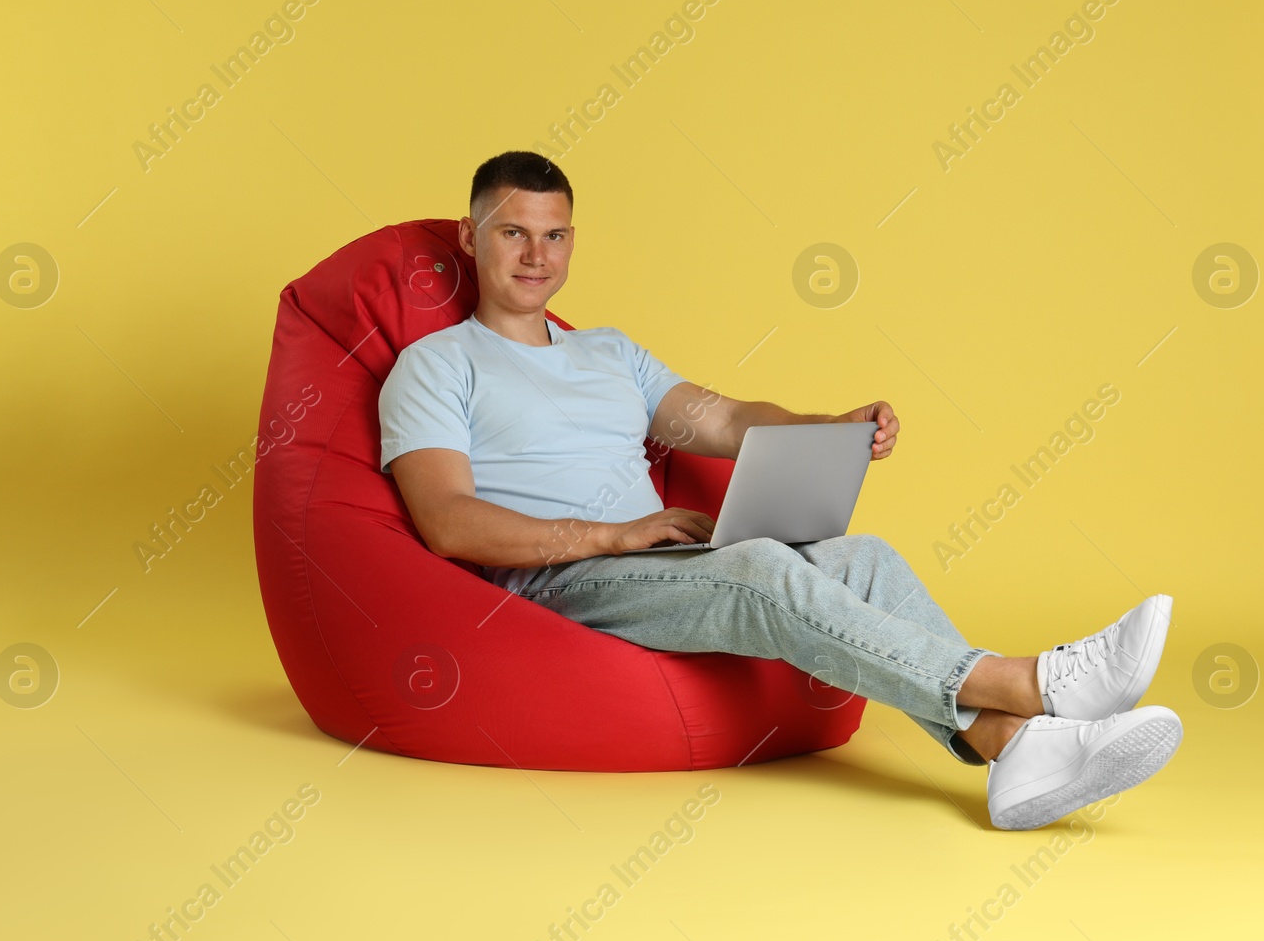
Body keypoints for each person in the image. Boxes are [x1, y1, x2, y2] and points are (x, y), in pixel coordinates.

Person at [378, 151, 1183, 831]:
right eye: (512, 232)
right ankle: (1031, 684)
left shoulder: (608, 352)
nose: (535, 255)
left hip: (662, 561)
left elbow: (722, 417)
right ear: (469, 236)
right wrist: (611, 535)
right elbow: (448, 522)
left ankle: (1011, 748)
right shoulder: (437, 364)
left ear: (572, 241)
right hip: (564, 581)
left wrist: (826, 425)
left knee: (861, 556)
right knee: (762, 569)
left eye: (553, 236)